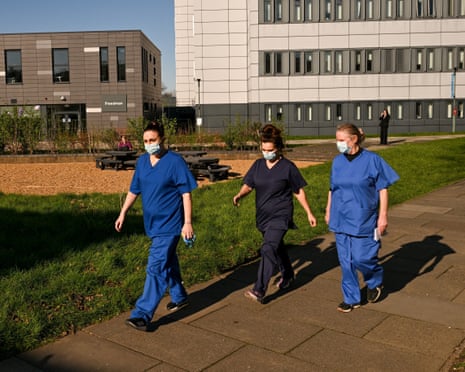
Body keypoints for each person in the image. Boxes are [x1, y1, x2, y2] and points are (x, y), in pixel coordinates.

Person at [115, 122, 197, 331]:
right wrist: (123, 212)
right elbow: (134, 190)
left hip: (170, 225)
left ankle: (142, 314)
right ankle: (179, 295)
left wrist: (187, 223)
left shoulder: (175, 162)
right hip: (152, 225)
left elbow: (186, 194)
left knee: (155, 267)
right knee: (167, 262)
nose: (149, 144)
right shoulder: (142, 162)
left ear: (162, 139)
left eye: (153, 140)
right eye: (146, 141)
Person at [233, 124, 317, 304]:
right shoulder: (257, 165)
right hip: (263, 217)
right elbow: (249, 184)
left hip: (281, 215)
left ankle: (259, 289)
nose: (266, 153)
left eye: (269, 150)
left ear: (278, 149)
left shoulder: (288, 167)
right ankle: (288, 275)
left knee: (268, 248)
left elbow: (298, 191)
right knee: (276, 247)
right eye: (263, 149)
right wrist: (240, 194)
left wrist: (309, 213)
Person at [325, 123, 399, 313]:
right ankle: (351, 298)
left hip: (363, 217)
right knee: (346, 261)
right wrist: (328, 210)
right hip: (340, 216)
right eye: (337, 140)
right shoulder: (337, 162)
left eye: (341, 140)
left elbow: (383, 189)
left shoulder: (372, 160)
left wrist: (383, 216)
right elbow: (333, 189)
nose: (338, 144)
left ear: (354, 139)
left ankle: (374, 281)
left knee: (362, 258)